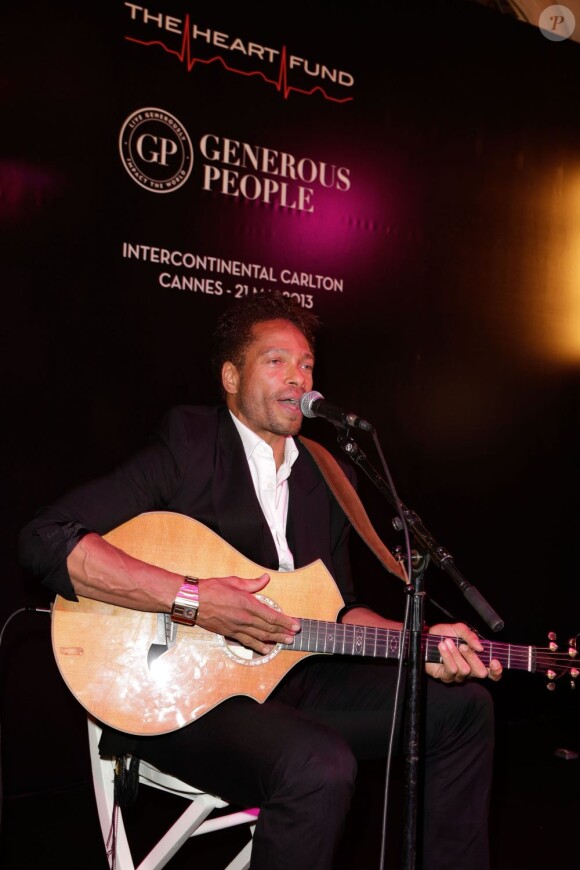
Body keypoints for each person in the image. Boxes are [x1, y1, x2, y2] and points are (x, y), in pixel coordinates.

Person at [19, 292, 502, 869]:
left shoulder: (329, 476)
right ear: (231, 375)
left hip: (290, 688)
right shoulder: (191, 444)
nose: (298, 377)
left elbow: (341, 611)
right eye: (276, 361)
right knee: (318, 764)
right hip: (183, 698)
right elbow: (45, 538)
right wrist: (192, 599)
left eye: (306, 365)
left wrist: (418, 643)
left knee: (465, 706)